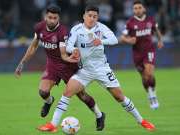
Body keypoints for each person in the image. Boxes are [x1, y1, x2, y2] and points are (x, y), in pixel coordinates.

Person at [38, 5, 155, 133]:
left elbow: (114, 39)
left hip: (102, 69)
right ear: (84, 16)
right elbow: (69, 46)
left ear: (97, 18)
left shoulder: (101, 28)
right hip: (85, 70)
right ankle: (53, 124)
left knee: (119, 97)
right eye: (89, 15)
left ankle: (142, 121)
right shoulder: (76, 29)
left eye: (94, 16)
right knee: (67, 93)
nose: (92, 19)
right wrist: (74, 50)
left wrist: (101, 41)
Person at [14, 5, 105, 131]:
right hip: (52, 65)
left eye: (55, 18)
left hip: (68, 66)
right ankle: (49, 101)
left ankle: (99, 115)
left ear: (58, 18)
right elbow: (34, 46)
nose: (52, 20)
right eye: (50, 17)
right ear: (46, 16)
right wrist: (22, 63)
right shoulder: (39, 27)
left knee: (82, 96)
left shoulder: (63, 32)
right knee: (43, 92)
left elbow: (63, 54)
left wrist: (73, 58)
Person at [119, 0, 164, 109]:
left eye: (139, 8)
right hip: (137, 53)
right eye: (135, 8)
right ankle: (149, 94)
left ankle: (153, 93)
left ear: (144, 9)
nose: (137, 10)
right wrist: (129, 40)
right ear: (133, 10)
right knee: (144, 77)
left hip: (149, 50)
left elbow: (156, 30)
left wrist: (160, 40)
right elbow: (122, 37)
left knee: (149, 73)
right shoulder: (130, 23)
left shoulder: (150, 20)